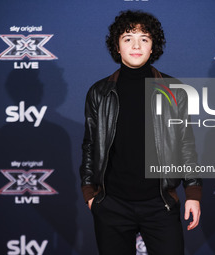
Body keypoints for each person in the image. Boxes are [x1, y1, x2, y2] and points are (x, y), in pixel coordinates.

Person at [80, 10, 202, 255]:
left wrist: (193, 192)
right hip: (112, 205)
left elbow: (185, 143)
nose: (136, 45)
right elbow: (90, 145)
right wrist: (90, 193)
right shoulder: (99, 92)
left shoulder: (174, 90)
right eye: (128, 38)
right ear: (117, 46)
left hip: (160, 203)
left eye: (144, 38)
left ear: (152, 45)